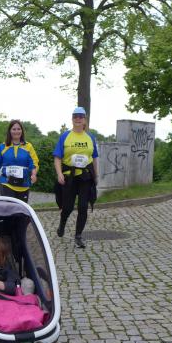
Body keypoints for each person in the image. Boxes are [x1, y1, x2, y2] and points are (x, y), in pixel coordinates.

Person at [54, 106, 99, 248]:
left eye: (81, 116)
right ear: (72, 119)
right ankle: (62, 224)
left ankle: (78, 235)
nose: (78, 119)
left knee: (83, 206)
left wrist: (96, 175)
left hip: (85, 177)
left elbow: (94, 157)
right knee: (67, 207)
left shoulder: (90, 137)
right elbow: (57, 157)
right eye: (75, 116)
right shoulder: (65, 136)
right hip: (69, 177)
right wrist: (59, 173)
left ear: (85, 119)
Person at [0, 120, 39, 202]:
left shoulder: (28, 146)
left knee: (20, 209)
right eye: (14, 129)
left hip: (24, 185)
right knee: (8, 208)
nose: (16, 131)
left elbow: (34, 162)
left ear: (22, 131)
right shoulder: (2, 146)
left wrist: (34, 174)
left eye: (19, 129)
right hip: (6, 184)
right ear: (10, 131)